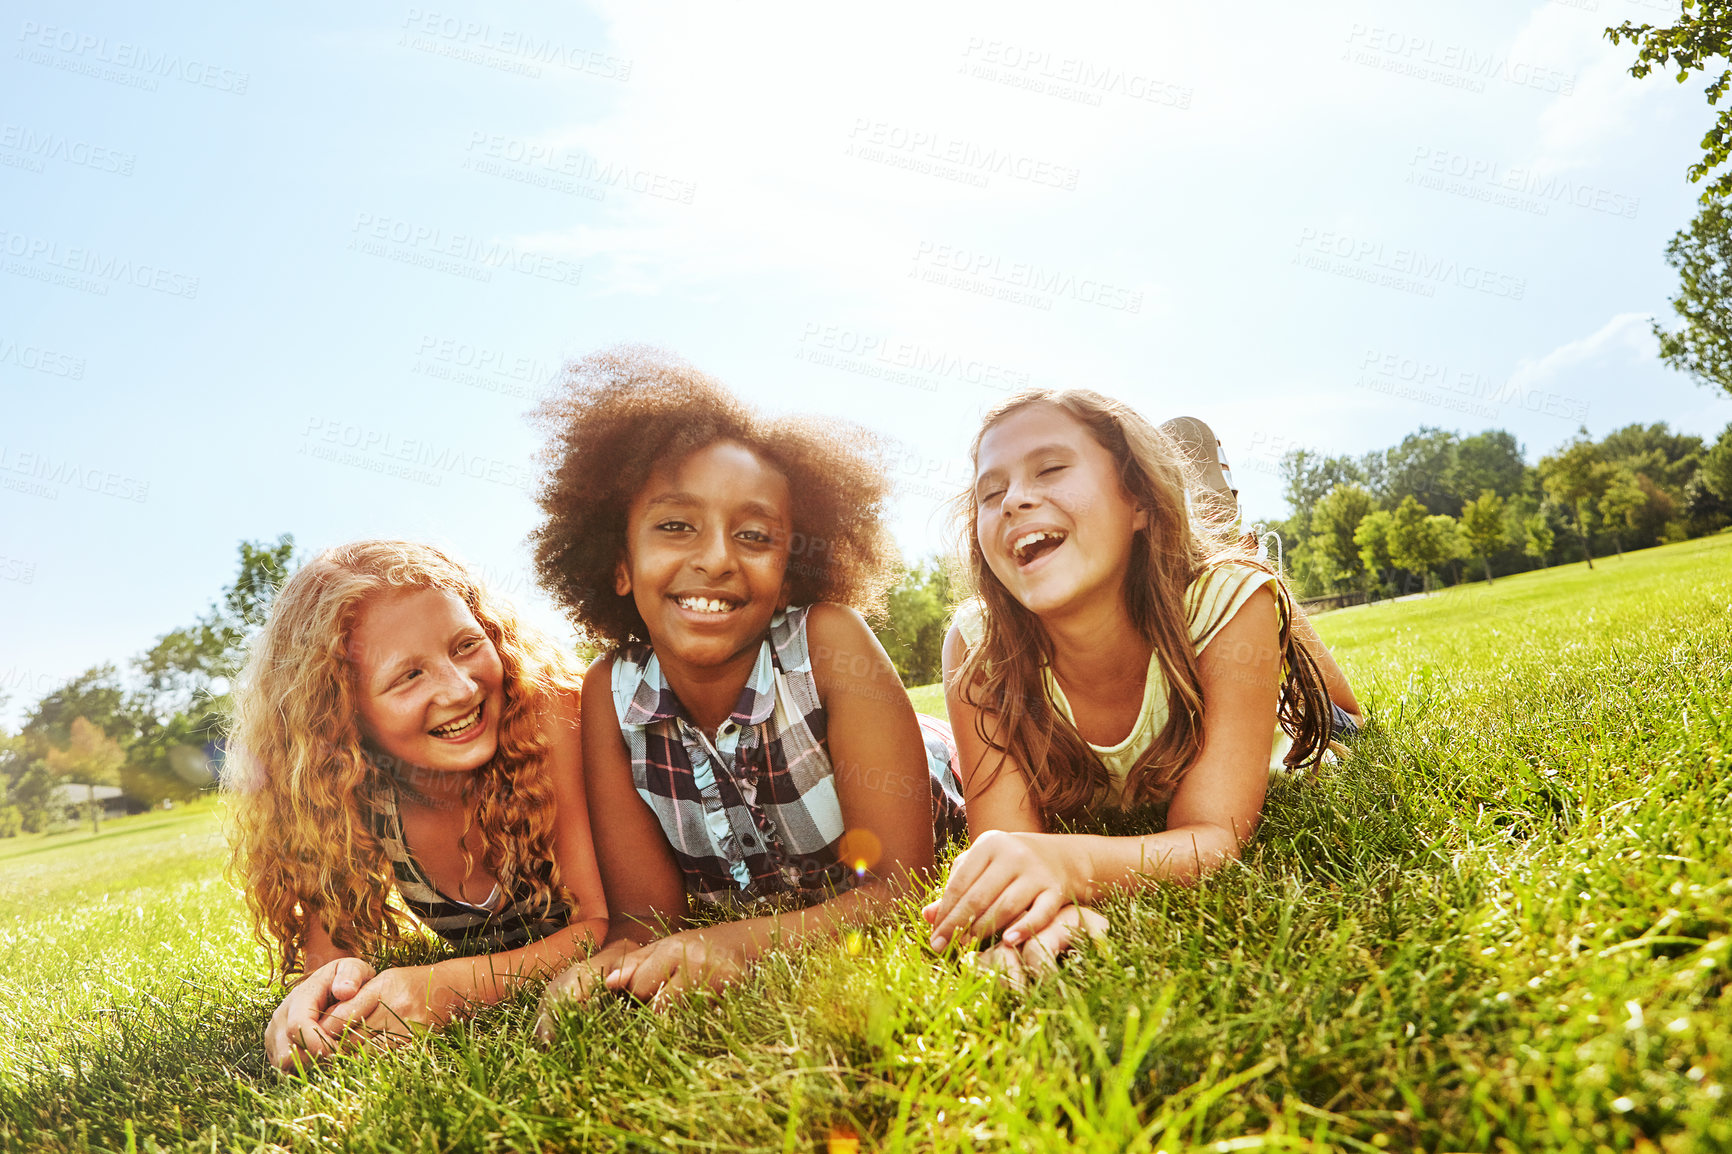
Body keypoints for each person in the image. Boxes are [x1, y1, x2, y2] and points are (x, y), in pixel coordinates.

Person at [530, 347, 962, 1025]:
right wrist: (608, 972)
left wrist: (731, 945)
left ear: (789, 574)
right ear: (619, 563)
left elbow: (900, 889)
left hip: (939, 771)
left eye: (755, 535)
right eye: (676, 526)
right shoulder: (609, 693)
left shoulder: (829, 643)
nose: (715, 558)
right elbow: (647, 920)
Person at [921, 390, 1358, 985]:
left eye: (1050, 469)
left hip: (1282, 723)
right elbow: (1013, 849)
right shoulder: (977, 649)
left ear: (1138, 501)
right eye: (989, 494)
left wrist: (1071, 865)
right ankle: (1210, 527)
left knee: (1333, 709)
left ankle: (1225, 535)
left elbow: (1214, 838)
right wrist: (1034, 921)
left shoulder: (1227, 608)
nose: (1015, 499)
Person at [225, 540, 609, 1070]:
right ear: (339, 712)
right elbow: (329, 960)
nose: (459, 689)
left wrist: (450, 988)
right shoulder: (345, 790)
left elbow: (604, 926)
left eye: (466, 645)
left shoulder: (548, 716)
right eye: (408, 676)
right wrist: (308, 1006)